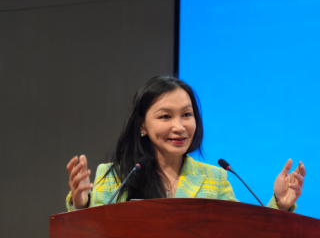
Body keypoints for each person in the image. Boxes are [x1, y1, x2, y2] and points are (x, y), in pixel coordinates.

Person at [65, 75, 305, 211]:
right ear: (142, 125)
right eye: (165, 116)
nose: (179, 126)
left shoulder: (214, 179)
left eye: (187, 115)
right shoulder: (115, 177)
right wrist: (81, 205)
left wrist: (280, 205)